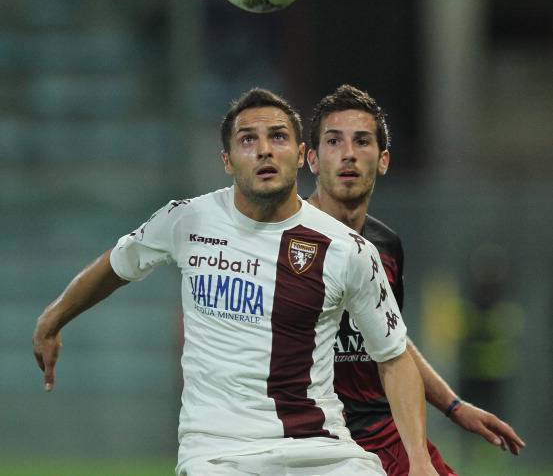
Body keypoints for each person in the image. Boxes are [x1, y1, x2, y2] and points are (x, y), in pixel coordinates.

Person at [33, 88, 440, 476]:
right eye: (248, 139)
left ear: (301, 155)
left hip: (321, 450)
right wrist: (53, 319)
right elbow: (119, 263)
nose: (264, 149)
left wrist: (419, 462)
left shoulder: (348, 249)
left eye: (278, 137)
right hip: (219, 454)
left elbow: (393, 357)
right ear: (227, 160)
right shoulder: (188, 220)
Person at [306, 84, 526, 476]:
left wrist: (454, 407)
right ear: (312, 158)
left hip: (383, 433)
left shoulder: (385, 246)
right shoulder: (282, 242)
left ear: (383, 160)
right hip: (311, 440)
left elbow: (391, 343)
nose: (348, 154)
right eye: (334, 141)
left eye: (362, 141)